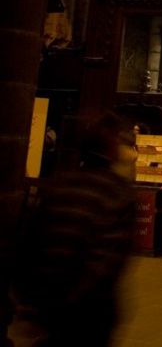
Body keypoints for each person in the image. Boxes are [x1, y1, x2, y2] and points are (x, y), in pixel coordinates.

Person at [17, 113, 137, 347]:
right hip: (87, 315)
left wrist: (32, 304)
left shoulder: (61, 186)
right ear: (113, 150)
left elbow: (29, 243)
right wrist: (69, 306)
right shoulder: (117, 193)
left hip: (47, 306)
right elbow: (104, 263)